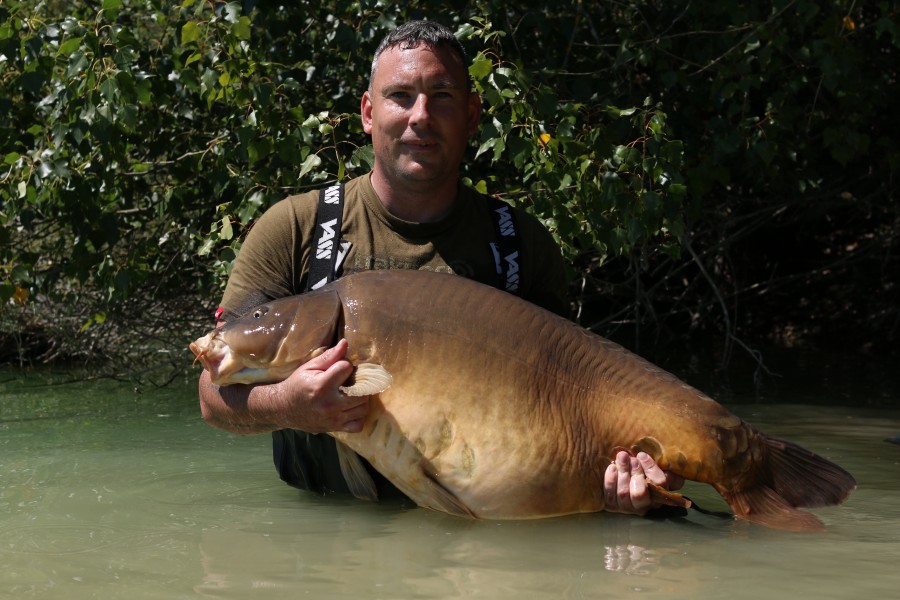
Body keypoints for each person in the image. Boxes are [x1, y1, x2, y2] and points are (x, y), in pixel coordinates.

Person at [197, 20, 683, 516]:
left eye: (442, 96)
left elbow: (571, 413)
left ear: (472, 115)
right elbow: (212, 395)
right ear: (368, 112)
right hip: (323, 532)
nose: (420, 116)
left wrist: (618, 484)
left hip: (478, 550)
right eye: (400, 96)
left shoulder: (520, 245)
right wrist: (289, 407)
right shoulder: (296, 228)